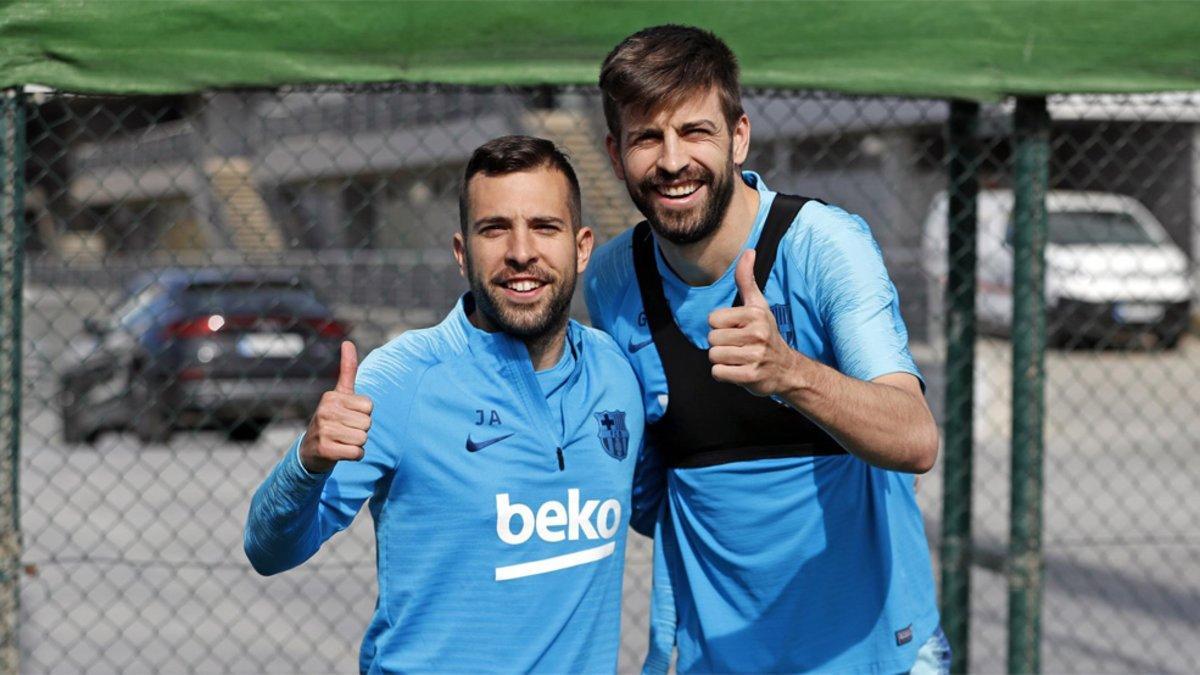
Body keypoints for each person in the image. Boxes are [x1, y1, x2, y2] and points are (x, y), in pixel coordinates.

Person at [585, 25, 950, 674]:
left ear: (739, 136)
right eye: (647, 137)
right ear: (616, 154)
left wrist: (789, 371)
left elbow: (915, 436)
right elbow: (644, 490)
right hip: (715, 657)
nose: (672, 161)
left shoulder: (823, 245)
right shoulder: (614, 279)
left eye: (695, 131)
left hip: (871, 653)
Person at [245, 135, 645, 673]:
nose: (521, 252)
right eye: (494, 228)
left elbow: (672, 502)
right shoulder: (402, 378)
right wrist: (305, 463)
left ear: (581, 247)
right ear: (462, 253)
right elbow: (268, 551)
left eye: (544, 227)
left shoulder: (617, 374)